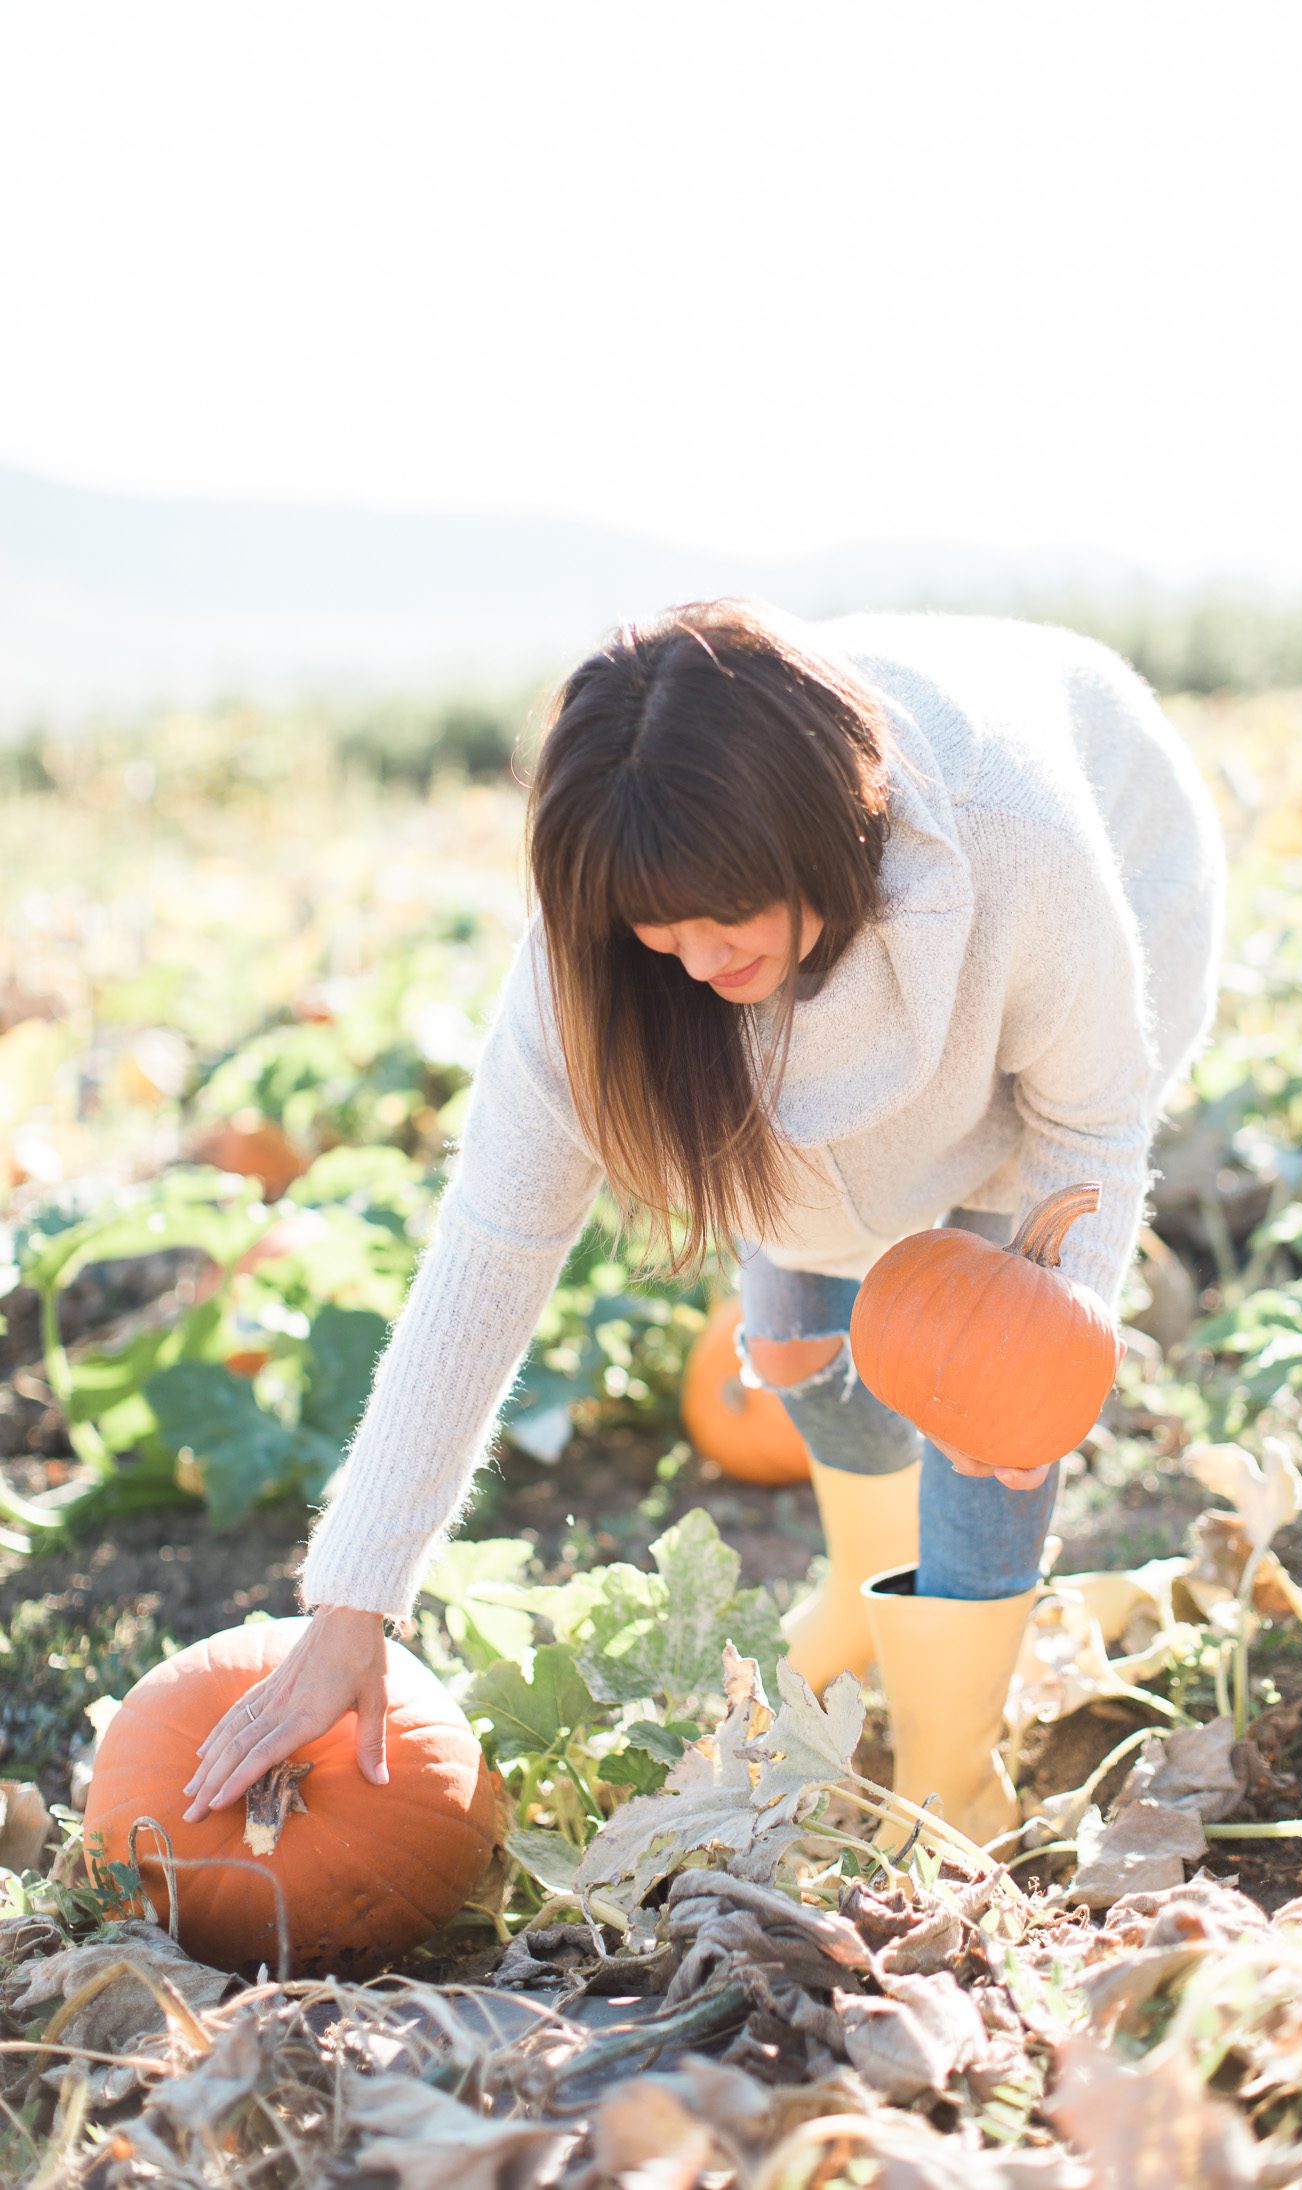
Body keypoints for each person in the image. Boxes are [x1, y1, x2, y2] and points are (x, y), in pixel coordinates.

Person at [183, 598, 1225, 1846]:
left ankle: (955, 1770)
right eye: (652, 924)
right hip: (827, 1088)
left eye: (719, 914)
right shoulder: (602, 961)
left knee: (987, 1386)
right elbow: (488, 1255)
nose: (684, 956)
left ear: (817, 840)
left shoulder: (1019, 848)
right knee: (803, 1324)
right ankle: (858, 1582)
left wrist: (1058, 1334)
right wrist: (349, 1607)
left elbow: (1090, 1120)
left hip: (1101, 895)